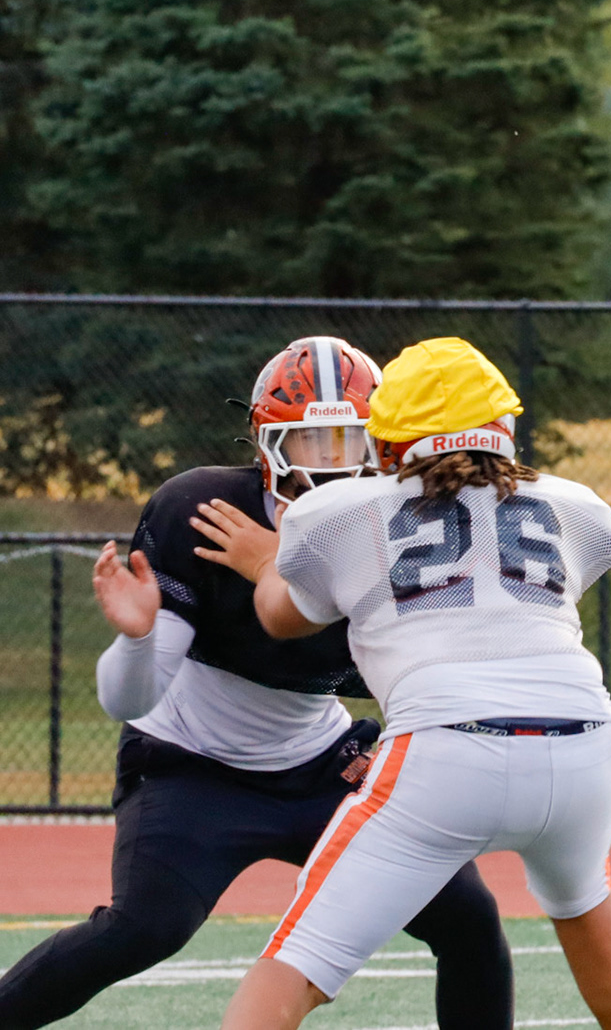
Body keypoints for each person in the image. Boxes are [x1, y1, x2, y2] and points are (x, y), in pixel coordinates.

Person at [0, 337, 514, 1030]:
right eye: (313, 441)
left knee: (468, 916)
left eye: (351, 439)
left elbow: (434, 670)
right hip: (192, 767)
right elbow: (129, 699)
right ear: (267, 442)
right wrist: (139, 636)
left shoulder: (405, 527)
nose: (334, 463)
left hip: (319, 762)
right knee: (144, 928)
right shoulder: (202, 506)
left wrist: (398, 747)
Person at [192, 336, 611, 1029]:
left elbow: (282, 619)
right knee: (584, 898)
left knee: (302, 957)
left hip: (447, 747)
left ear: (385, 441)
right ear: (504, 427)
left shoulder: (337, 513)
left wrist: (265, 565)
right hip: (586, 743)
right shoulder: (577, 505)